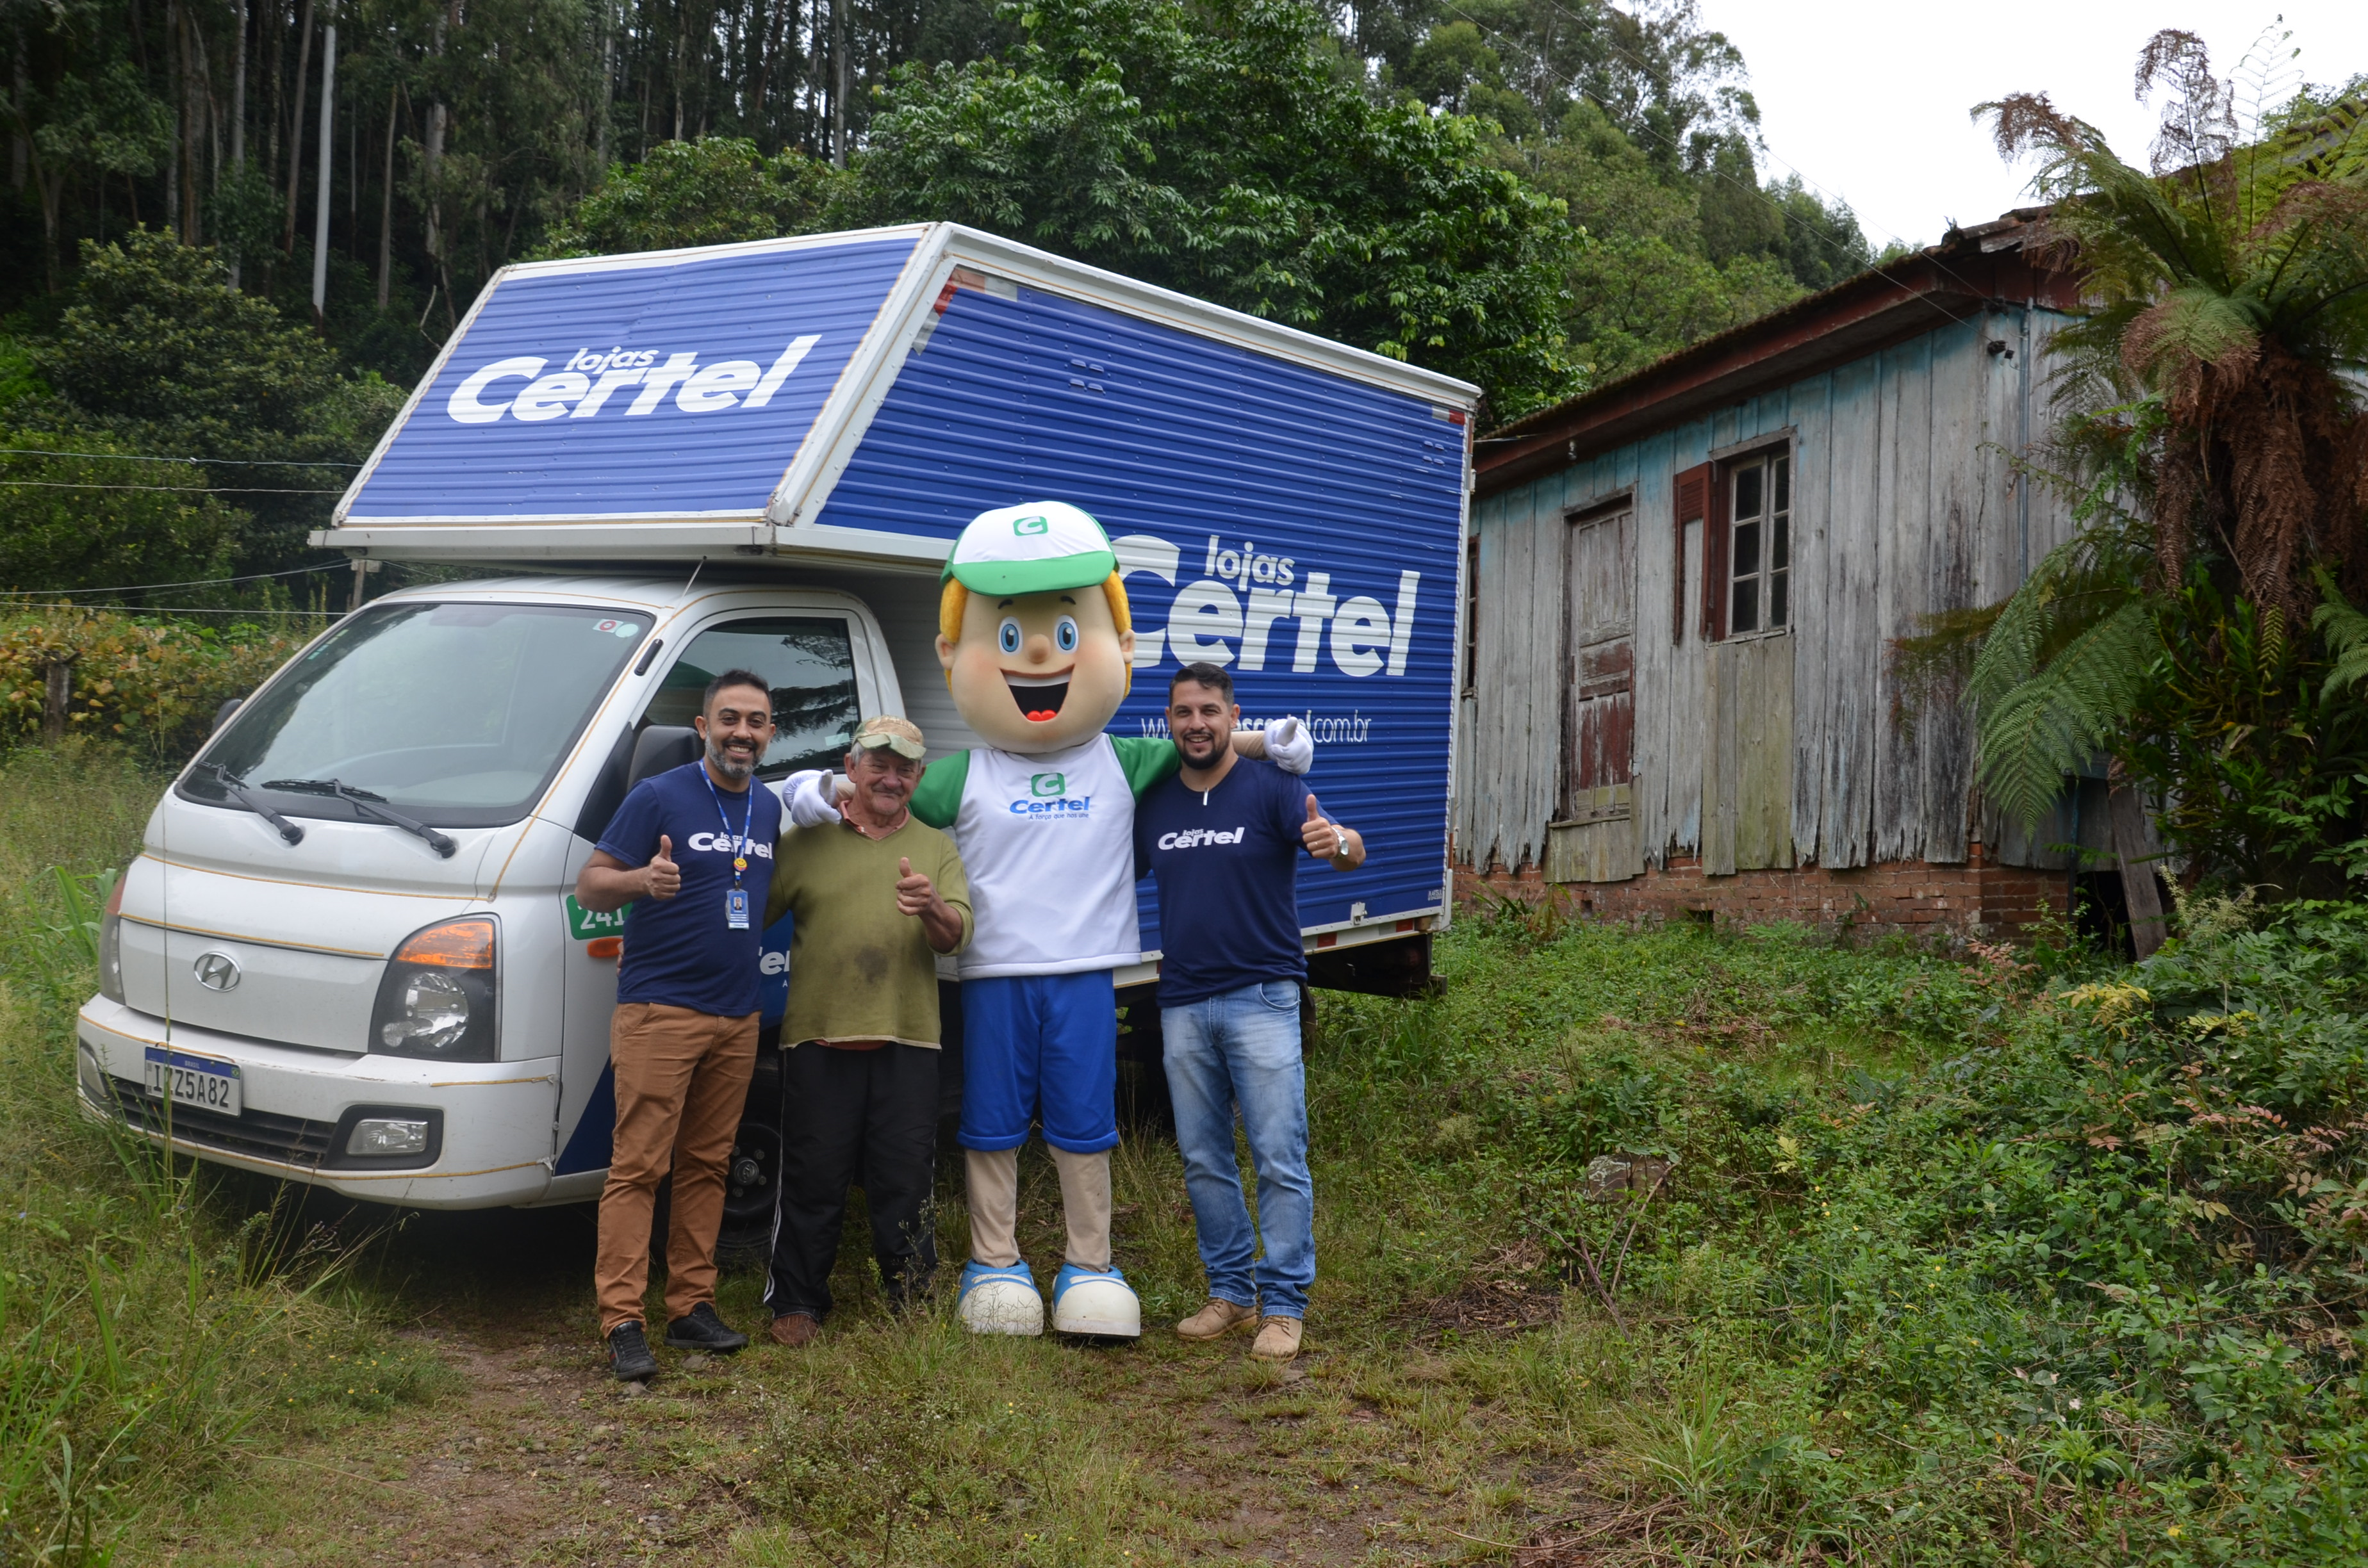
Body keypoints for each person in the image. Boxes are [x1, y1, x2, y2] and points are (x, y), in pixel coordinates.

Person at [1135, 662, 1365, 1363]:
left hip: (1262, 996)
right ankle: (1231, 1294)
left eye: (1209, 710)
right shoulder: (1157, 805)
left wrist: (1340, 845)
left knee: (1277, 1155)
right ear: (1168, 722)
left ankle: (1284, 1305)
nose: (1196, 723)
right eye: (1183, 713)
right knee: (1204, 1157)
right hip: (1180, 1002)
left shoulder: (1273, 788)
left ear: (1235, 718)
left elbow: (1351, 848)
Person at [575, 669, 784, 1381]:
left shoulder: (768, 811)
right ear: (703, 727)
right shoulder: (659, 796)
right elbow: (591, 881)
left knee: (706, 1166)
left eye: (756, 722)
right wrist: (643, 883)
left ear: (771, 734)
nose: (742, 733)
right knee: (639, 1167)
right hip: (661, 1010)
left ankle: (691, 1307)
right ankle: (624, 1321)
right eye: (729, 719)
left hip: (736, 1014)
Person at [761, 715, 971, 1348]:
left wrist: (932, 905)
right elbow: (746, 913)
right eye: (878, 763)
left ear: (920, 777)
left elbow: (956, 935)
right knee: (811, 1173)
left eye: (904, 767)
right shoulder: (803, 842)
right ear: (848, 769)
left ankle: (908, 1297)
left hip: (908, 1037)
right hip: (818, 1036)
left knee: (904, 1177)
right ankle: (798, 1299)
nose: (891, 777)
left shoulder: (936, 845)